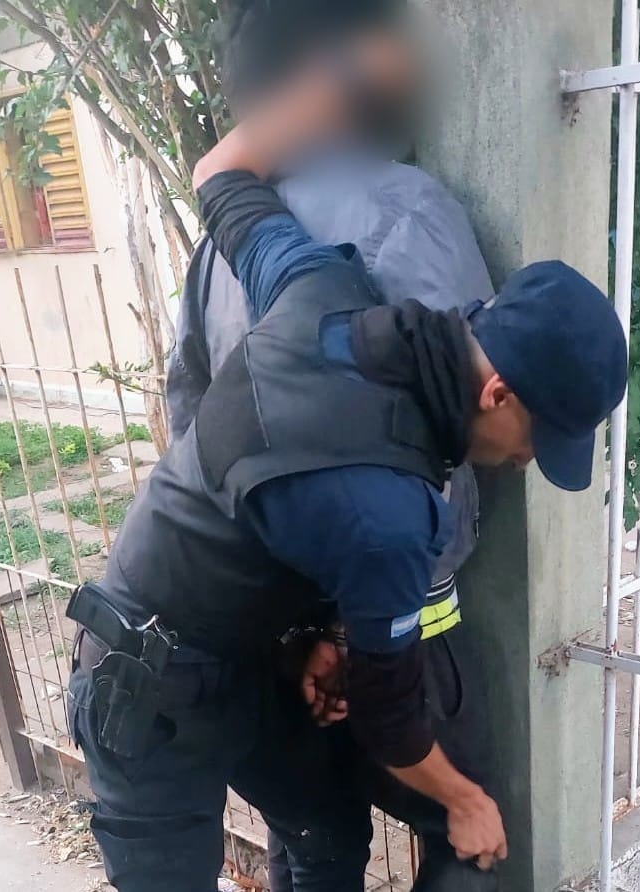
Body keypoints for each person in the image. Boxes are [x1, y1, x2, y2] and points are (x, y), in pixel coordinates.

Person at [66, 35, 628, 892]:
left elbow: (221, 171)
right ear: (497, 393)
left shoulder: (320, 289)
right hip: (148, 686)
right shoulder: (392, 510)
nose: (524, 463)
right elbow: (394, 722)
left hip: (251, 656)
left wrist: (351, 75)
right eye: (536, 441)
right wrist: (465, 802)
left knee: (325, 835)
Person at [167, 4, 501, 887]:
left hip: (279, 633)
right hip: (406, 617)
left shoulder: (217, 244)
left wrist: (296, 629)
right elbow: (468, 426)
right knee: (466, 829)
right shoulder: (408, 207)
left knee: (311, 839)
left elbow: (189, 423)